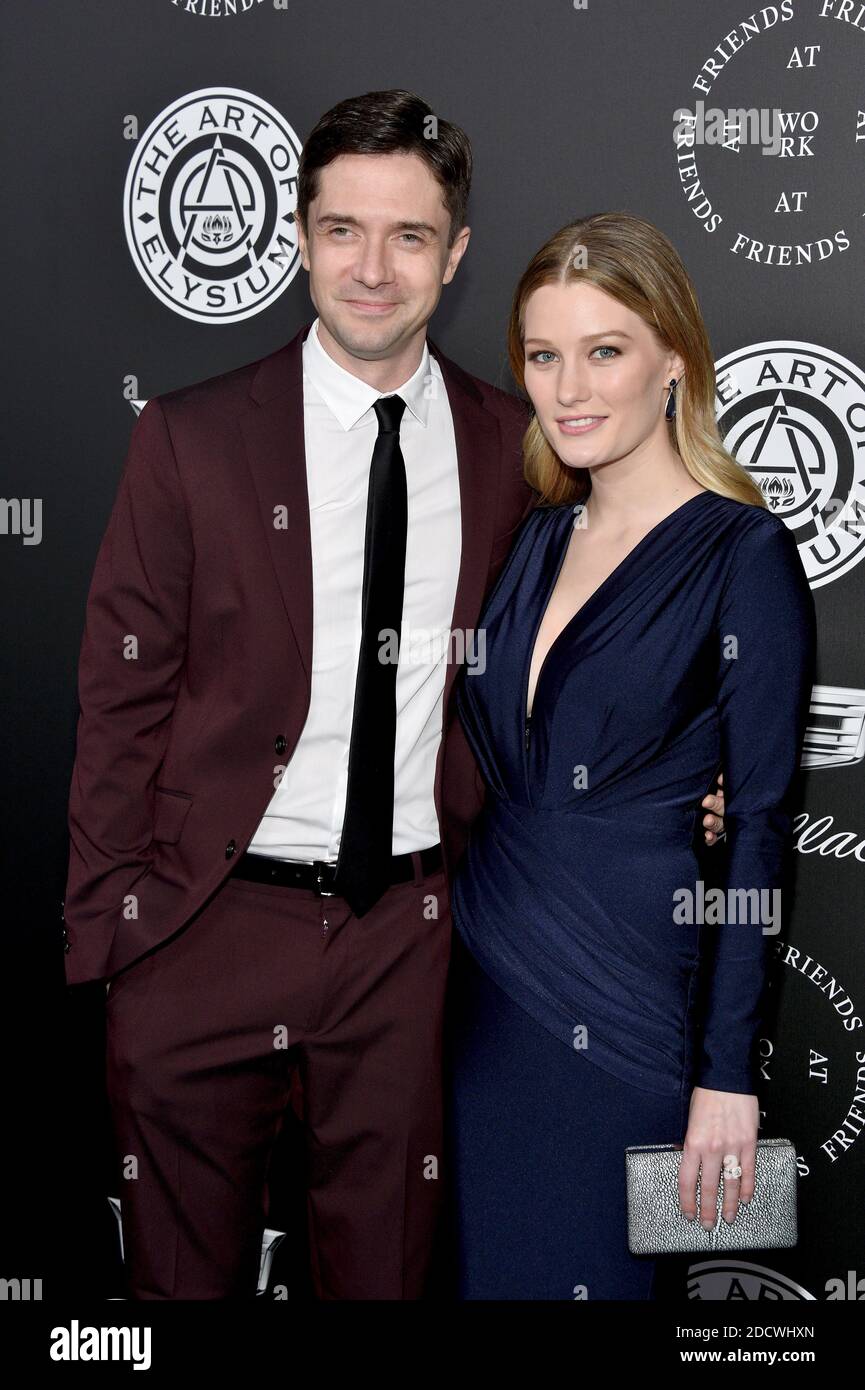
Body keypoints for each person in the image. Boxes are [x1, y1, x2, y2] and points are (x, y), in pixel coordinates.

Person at [62, 90, 725, 1300]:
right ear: (302, 237)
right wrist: (118, 938)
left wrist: (691, 776)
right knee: (175, 1293)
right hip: (205, 931)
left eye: (409, 236)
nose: (372, 268)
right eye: (343, 230)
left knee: (388, 1279)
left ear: (454, 254)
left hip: (408, 949)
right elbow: (121, 700)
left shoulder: (513, 450)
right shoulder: (191, 439)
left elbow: (584, 650)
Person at [444, 211, 816, 1300]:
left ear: (673, 363)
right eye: (544, 354)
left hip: (626, 1008)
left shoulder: (740, 553)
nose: (569, 387)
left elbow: (755, 830)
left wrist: (726, 1075)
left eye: (604, 350)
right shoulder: (535, 534)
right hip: (474, 995)